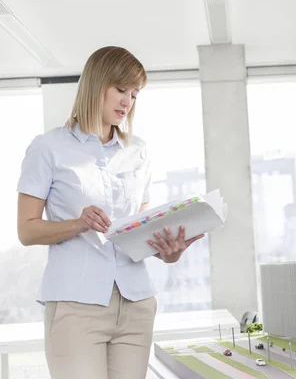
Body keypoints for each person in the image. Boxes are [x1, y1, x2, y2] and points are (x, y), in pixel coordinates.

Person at [16, 46, 204, 379]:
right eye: (120, 90)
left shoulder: (138, 151)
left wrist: (168, 252)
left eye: (134, 95)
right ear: (95, 85)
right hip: (76, 306)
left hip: (136, 304)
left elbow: (140, 232)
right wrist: (77, 224)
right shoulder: (47, 148)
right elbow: (27, 230)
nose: (127, 102)